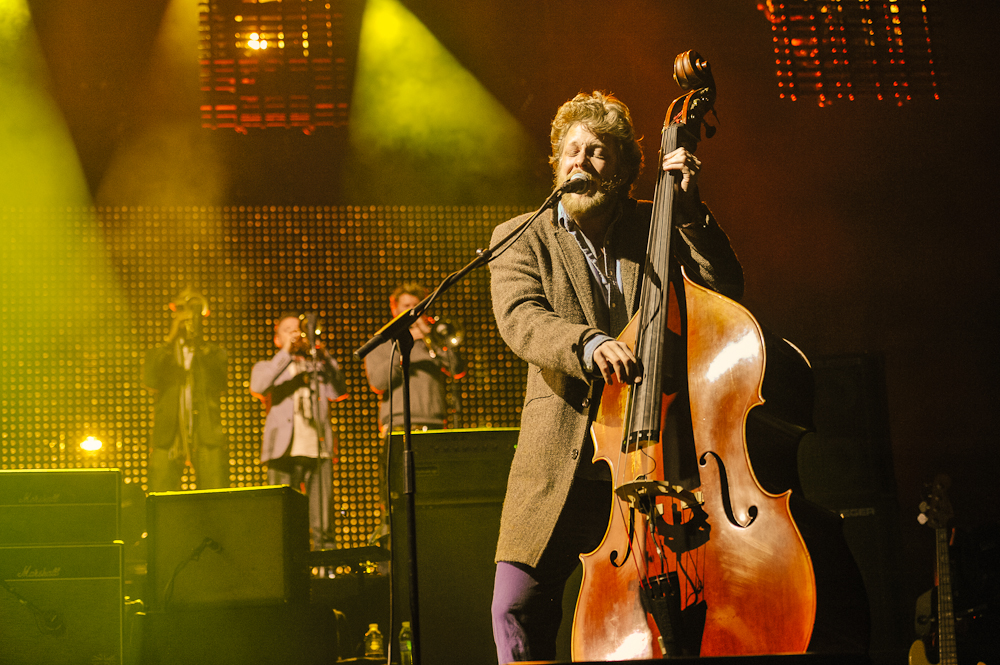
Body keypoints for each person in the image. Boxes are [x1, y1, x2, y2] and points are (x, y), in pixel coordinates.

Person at [488, 91, 744, 663]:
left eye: (598, 151)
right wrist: (587, 342)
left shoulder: (656, 221)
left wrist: (691, 210)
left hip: (658, 449)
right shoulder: (519, 236)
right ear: (556, 166)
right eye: (571, 151)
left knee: (655, 612)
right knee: (516, 604)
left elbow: (725, 286)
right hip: (562, 456)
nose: (580, 160)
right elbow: (522, 320)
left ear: (626, 169)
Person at [363, 282, 467, 542]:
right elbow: (378, 381)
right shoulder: (382, 344)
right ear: (394, 310)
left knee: (435, 500)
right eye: (406, 306)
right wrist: (407, 346)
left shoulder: (433, 342)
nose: (411, 311)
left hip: (434, 428)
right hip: (398, 429)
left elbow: (457, 369)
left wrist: (435, 342)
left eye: (416, 307)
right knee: (396, 500)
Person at [250, 312, 348, 550]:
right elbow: (259, 386)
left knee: (324, 523)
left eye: (299, 329)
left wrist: (322, 353)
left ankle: (327, 574)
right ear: (277, 339)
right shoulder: (268, 365)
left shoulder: (319, 366)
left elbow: (340, 391)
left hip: (319, 449)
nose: (296, 333)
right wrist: (286, 353)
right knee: (284, 522)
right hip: (282, 453)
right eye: (288, 330)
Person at [143, 288, 229, 493]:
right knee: (161, 493)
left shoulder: (213, 352)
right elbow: (150, 380)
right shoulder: (162, 353)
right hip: (168, 435)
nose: (186, 314)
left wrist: (200, 343)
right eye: (181, 308)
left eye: (193, 309)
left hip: (206, 432)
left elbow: (221, 383)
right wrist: (170, 338)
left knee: (214, 492)